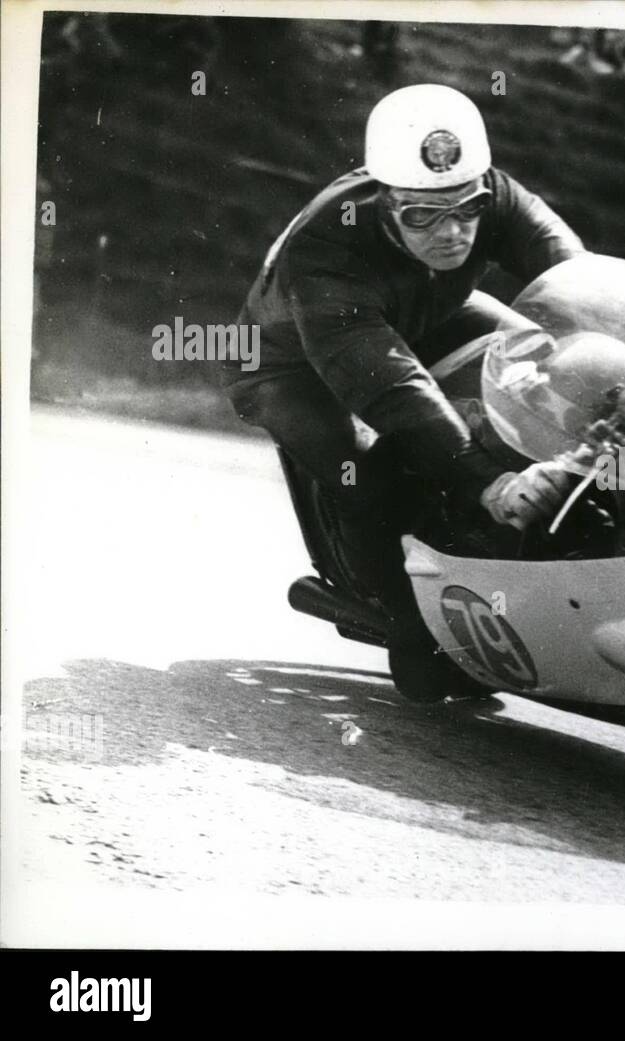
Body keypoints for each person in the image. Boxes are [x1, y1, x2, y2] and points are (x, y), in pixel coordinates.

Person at [220, 84, 584, 699]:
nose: (451, 234)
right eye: (422, 216)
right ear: (386, 202)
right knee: (365, 470)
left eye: (466, 210)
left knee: (544, 358)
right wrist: (486, 479)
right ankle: (409, 627)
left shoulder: (496, 194)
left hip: (420, 309)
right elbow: (390, 382)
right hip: (288, 363)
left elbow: (578, 281)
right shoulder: (325, 244)